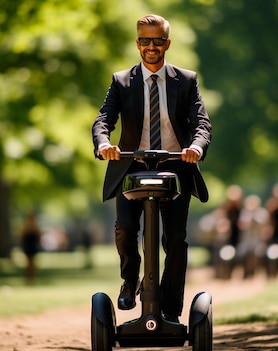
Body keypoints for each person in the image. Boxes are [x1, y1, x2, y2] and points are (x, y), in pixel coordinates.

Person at [91, 14, 212, 323]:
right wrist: (104, 143)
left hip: (175, 167)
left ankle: (171, 307)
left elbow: (201, 123)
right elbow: (104, 119)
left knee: (175, 240)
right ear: (137, 43)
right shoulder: (121, 81)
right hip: (130, 166)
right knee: (126, 230)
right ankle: (130, 282)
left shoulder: (186, 80)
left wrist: (196, 147)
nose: (151, 47)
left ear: (167, 43)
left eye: (158, 41)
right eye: (145, 40)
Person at [20, 211, 42, 283]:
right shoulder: (26, 226)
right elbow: (22, 236)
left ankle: (33, 276)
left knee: (33, 261)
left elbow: (39, 236)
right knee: (28, 261)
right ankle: (28, 276)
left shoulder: (36, 226)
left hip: (33, 245)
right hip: (28, 245)